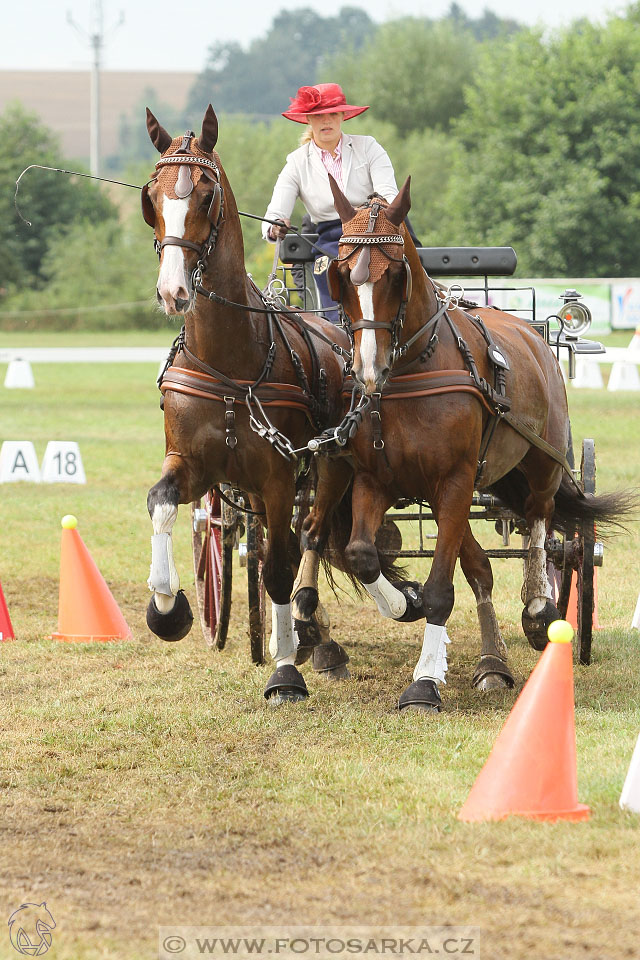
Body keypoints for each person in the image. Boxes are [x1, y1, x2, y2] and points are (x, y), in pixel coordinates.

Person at [262, 83, 399, 321]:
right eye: (318, 116)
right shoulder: (296, 162)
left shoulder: (368, 147)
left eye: (332, 114)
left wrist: (372, 215)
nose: (326, 121)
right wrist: (276, 225)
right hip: (331, 241)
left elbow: (389, 195)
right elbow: (274, 212)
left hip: (376, 232)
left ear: (343, 116)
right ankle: (337, 332)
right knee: (328, 272)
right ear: (308, 119)